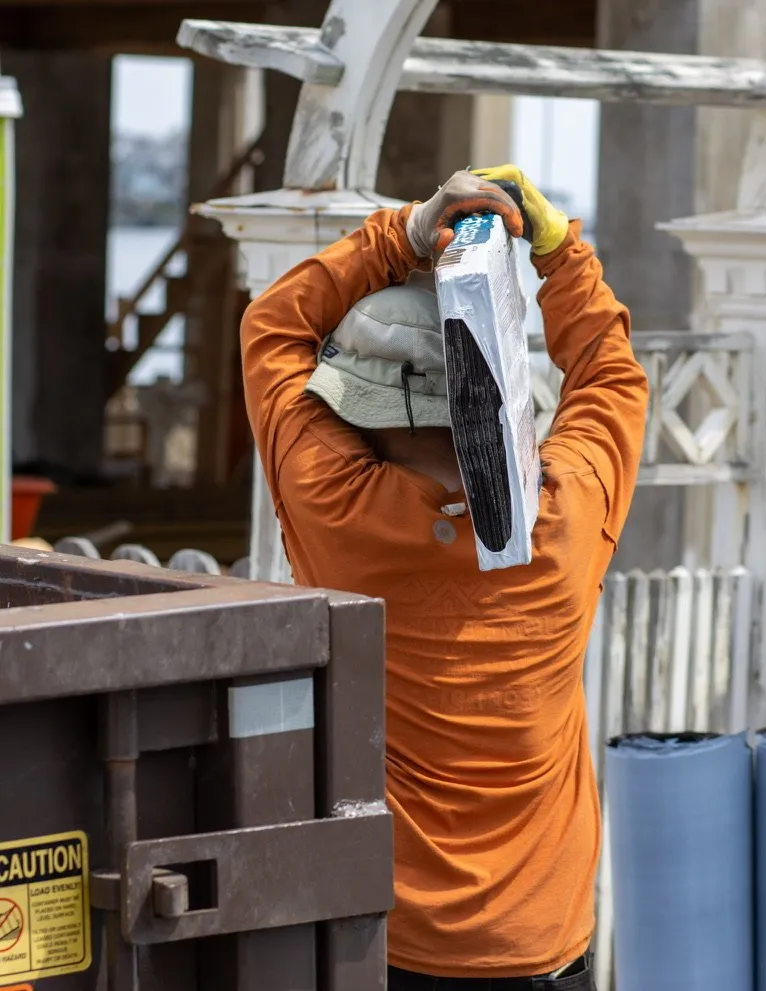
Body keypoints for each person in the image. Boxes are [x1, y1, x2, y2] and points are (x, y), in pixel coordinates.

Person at [240, 165, 649, 989]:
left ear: (364, 416)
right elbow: (608, 374)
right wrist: (557, 249)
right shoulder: (563, 517)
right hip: (543, 940)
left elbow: (270, 328)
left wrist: (408, 230)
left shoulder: (338, 508)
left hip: (387, 940)